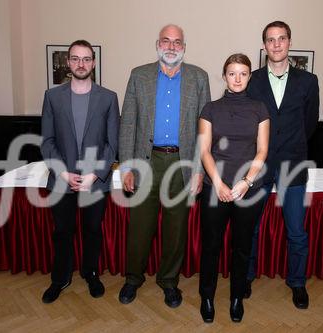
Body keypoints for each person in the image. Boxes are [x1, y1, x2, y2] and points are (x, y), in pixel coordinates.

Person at [118, 24, 211, 308]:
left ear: (184, 46)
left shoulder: (199, 78)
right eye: (166, 41)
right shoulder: (139, 75)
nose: (171, 47)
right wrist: (126, 167)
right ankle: (133, 278)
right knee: (139, 228)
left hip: (182, 164)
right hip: (146, 162)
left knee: (175, 229)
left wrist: (198, 170)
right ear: (157, 44)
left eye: (177, 42)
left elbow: (204, 130)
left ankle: (168, 281)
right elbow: (128, 124)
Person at [246, 21, 319, 309]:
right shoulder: (252, 79)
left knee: (296, 230)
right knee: (250, 226)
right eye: (270, 40)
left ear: (289, 42)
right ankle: (247, 276)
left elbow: (310, 123)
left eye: (281, 39)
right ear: (264, 45)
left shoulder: (308, 81)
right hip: (259, 164)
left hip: (293, 164)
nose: (276, 44)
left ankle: (297, 283)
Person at [40, 39, 120, 303]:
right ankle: (60, 278)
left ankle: (91, 272)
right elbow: (47, 141)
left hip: (94, 182)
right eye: (75, 58)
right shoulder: (52, 96)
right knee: (62, 231)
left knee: (92, 230)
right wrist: (62, 173)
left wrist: (94, 175)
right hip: (61, 180)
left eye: (86, 59)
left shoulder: (108, 98)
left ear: (93, 63)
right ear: (68, 62)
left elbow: (112, 143)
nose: (81, 63)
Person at [198, 54, 269, 323]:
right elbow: (204, 151)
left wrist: (245, 182)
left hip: (248, 189)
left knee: (241, 248)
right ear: (224, 76)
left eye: (243, 73)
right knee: (211, 246)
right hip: (215, 188)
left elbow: (262, 151)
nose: (237, 78)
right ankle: (207, 297)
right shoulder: (210, 109)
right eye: (232, 73)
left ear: (250, 76)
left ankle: (237, 298)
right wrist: (218, 183)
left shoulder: (260, 108)